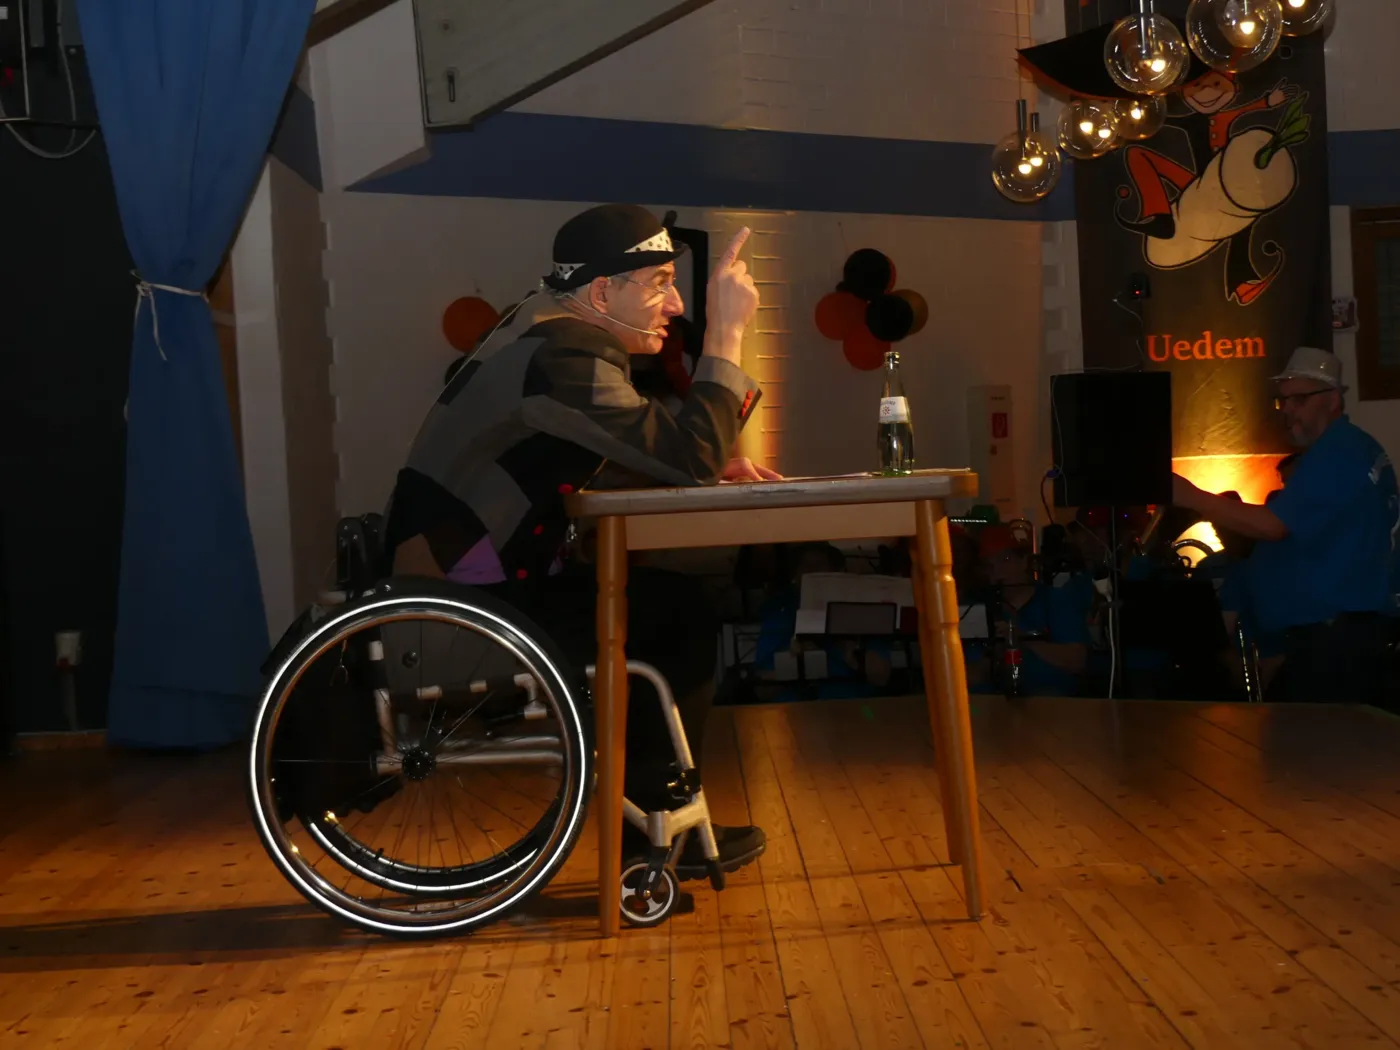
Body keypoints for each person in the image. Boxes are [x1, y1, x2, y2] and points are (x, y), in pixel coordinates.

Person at [381, 203, 778, 878]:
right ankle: (658, 835)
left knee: (665, 609)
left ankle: (657, 829)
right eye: (660, 283)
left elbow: (602, 455)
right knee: (671, 613)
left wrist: (695, 460)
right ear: (600, 293)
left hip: (465, 596)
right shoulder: (562, 357)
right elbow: (691, 458)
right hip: (458, 622)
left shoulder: (542, 338)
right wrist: (728, 333)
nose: (677, 305)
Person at [1172, 346, 1399, 704]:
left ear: (1332, 400)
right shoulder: (1353, 449)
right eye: (1283, 400)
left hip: (1334, 643)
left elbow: (1273, 526)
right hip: (1335, 637)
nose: (1288, 410)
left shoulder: (1337, 451)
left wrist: (1190, 496)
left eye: (1300, 399)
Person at [966, 525, 1093, 697]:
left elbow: (1077, 661)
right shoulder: (980, 609)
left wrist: (1022, 639)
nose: (997, 570)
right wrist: (993, 658)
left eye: (1006, 559)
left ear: (1024, 561)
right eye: (989, 565)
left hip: (1056, 704)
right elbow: (974, 674)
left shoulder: (1054, 600)